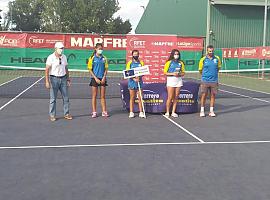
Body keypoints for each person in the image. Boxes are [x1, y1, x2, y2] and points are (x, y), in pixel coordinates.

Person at [45, 42, 72, 122]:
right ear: (55, 49)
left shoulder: (64, 57)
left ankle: (66, 114)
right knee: (53, 99)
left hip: (63, 79)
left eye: (62, 48)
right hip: (54, 79)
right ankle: (52, 115)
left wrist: (68, 79)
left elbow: (66, 68)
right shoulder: (50, 57)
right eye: (60, 48)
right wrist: (47, 81)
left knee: (66, 98)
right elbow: (46, 70)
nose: (61, 50)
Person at [198, 45, 222, 117]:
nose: (211, 52)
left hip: (214, 81)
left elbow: (218, 68)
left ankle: (211, 111)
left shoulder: (217, 58)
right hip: (205, 80)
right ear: (207, 51)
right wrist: (205, 76)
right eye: (209, 51)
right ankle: (202, 111)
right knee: (204, 95)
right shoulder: (203, 59)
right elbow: (200, 70)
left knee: (213, 96)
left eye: (212, 51)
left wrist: (214, 75)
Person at [87, 43, 109, 118]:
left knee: (103, 96)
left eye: (101, 49)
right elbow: (90, 69)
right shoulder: (92, 58)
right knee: (94, 96)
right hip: (94, 79)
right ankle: (94, 112)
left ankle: (104, 111)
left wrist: (103, 77)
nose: (100, 50)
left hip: (102, 78)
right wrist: (95, 78)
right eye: (99, 48)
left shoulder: (104, 58)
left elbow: (106, 69)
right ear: (95, 49)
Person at [164, 49, 185, 117]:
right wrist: (172, 73)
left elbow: (183, 72)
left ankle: (173, 112)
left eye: (177, 54)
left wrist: (179, 74)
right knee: (170, 97)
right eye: (175, 54)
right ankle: (167, 111)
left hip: (178, 80)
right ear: (172, 55)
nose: (176, 55)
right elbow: (165, 72)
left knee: (176, 97)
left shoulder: (181, 63)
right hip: (171, 80)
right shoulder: (168, 62)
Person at [126, 50, 146, 118]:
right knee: (132, 98)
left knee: (140, 98)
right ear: (132, 55)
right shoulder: (130, 63)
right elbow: (127, 73)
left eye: (137, 54)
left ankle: (141, 112)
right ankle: (131, 112)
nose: (136, 55)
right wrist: (134, 78)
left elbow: (143, 72)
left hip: (139, 82)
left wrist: (139, 77)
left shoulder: (141, 63)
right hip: (132, 82)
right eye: (134, 54)